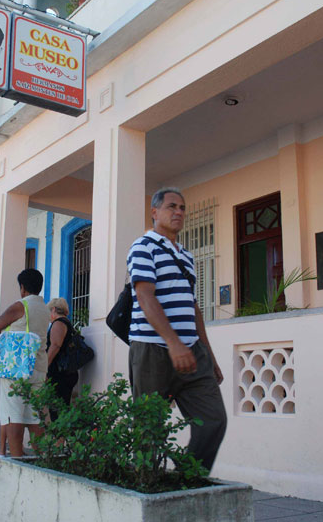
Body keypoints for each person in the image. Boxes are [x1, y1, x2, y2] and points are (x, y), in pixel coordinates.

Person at [127, 187, 227, 471]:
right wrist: (173, 343)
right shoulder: (142, 247)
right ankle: (147, 486)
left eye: (183, 208)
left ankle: (186, 477)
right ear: (154, 212)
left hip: (192, 352)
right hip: (152, 351)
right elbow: (146, 296)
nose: (179, 212)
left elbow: (192, 307)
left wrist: (208, 354)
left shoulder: (187, 257)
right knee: (149, 430)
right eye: (172, 206)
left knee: (213, 420)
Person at [0, 269, 50, 457]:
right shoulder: (45, 308)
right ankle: (39, 458)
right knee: (34, 415)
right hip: (39, 365)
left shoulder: (21, 305)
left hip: (16, 367)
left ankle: (16, 456)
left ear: (22, 287)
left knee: (13, 414)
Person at [46, 298, 79, 421]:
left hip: (59, 374)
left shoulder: (59, 323)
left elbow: (55, 345)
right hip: (65, 373)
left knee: (57, 411)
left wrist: (45, 366)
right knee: (61, 409)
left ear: (53, 309)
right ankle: (60, 439)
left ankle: (59, 440)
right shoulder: (67, 323)